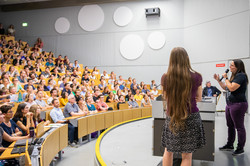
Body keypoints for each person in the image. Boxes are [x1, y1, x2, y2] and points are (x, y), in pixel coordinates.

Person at [161, 47, 205, 166]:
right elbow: (199, 97)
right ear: (186, 58)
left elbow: (165, 97)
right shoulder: (197, 76)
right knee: (187, 156)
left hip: (172, 116)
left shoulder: (165, 77)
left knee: (168, 151)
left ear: (171, 60)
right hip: (191, 116)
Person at [214, 59, 248, 156]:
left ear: (238, 67)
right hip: (230, 104)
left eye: (232, 65)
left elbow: (232, 88)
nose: (230, 67)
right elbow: (226, 87)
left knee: (239, 127)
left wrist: (226, 78)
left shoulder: (241, 76)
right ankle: (230, 144)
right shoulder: (234, 76)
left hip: (238, 104)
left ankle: (240, 148)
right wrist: (218, 80)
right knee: (230, 125)